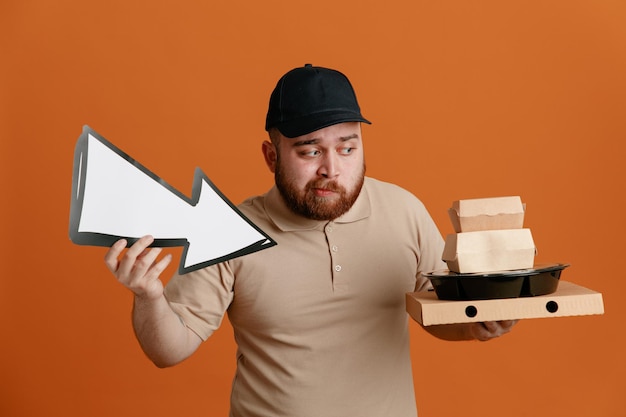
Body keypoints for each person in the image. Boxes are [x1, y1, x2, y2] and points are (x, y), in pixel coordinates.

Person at [105, 64, 517, 417]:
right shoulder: (230, 232)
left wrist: (478, 323)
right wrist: (148, 297)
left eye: (347, 148)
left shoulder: (404, 210)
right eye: (309, 152)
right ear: (271, 156)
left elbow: (439, 310)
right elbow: (169, 349)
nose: (331, 169)